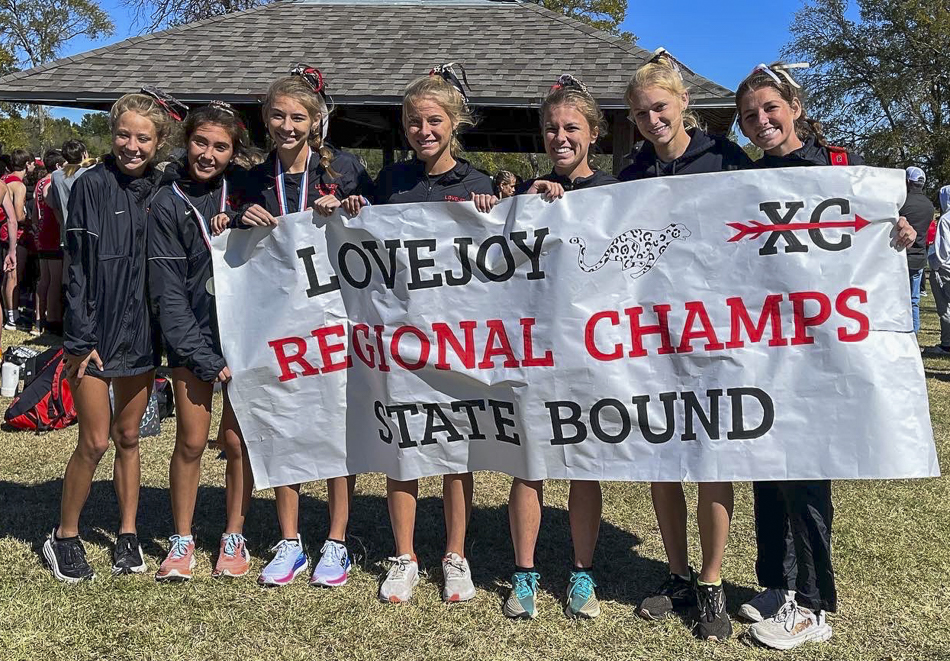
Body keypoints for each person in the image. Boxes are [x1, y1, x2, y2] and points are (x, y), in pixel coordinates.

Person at [735, 62, 916, 650]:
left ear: (794, 107)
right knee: (766, 470)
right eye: (748, 116)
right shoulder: (742, 181)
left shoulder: (835, 168)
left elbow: (911, 201)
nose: (761, 122)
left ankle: (814, 604)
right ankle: (776, 585)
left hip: (821, 354)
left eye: (769, 109)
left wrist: (911, 225)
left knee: (806, 477)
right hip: (762, 349)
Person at [342, 63, 494, 604]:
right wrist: (353, 212)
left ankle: (456, 557)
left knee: (457, 451)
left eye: (434, 121)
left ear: (456, 122)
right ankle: (403, 557)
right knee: (401, 447)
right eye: (413, 123)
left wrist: (492, 214)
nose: (424, 131)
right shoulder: (389, 183)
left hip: (456, 341)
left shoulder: (479, 185)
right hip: (398, 342)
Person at [619, 49, 751, 642]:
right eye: (642, 113)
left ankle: (712, 582)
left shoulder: (725, 159)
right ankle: (676, 575)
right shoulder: (629, 173)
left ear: (684, 104)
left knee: (710, 458)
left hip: (714, 332)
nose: (653, 119)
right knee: (662, 458)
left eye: (660, 107)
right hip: (650, 339)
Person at [228, 65, 374, 588]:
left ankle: (336, 541)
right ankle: (289, 540)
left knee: (337, 430)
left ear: (316, 121)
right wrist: (240, 217)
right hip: (280, 324)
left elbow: (377, 233)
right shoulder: (250, 176)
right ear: (266, 119)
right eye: (278, 116)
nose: (288, 126)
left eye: (298, 117)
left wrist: (353, 205)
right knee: (284, 422)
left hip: (336, 319)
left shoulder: (346, 168)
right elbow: (234, 238)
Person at [41, 89, 183, 583]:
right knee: (95, 440)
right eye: (123, 134)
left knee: (129, 437)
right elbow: (77, 268)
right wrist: (80, 338)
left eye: (143, 138)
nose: (131, 145)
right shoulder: (89, 185)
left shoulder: (164, 188)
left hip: (141, 334)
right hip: (94, 335)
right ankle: (65, 536)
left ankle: (127, 534)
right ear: (111, 133)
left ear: (159, 141)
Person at [497, 74, 616, 621]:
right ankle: (524, 574)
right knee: (529, 462)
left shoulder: (620, 193)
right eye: (551, 128)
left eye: (572, 127)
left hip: (593, 351)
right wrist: (496, 208)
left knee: (583, 462)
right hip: (534, 348)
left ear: (594, 133)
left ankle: (582, 573)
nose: (560, 137)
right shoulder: (526, 197)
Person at [148, 102, 255, 581]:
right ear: (185, 142)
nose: (208, 154)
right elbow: (167, 294)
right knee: (190, 441)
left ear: (234, 152)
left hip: (245, 337)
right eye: (200, 143)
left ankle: (234, 533)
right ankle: (183, 538)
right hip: (193, 341)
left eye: (220, 146)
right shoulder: (167, 201)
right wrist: (200, 356)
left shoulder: (247, 193)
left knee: (236, 441)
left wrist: (248, 220)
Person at [34, 149, 67, 336]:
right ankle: (53, 319)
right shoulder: (53, 181)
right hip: (53, 231)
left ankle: (39, 319)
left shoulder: (39, 182)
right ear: (57, 166)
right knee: (55, 280)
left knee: (44, 278)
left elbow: (34, 213)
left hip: (41, 232)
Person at [2, 148, 35, 330]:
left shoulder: (3, 180)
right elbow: (17, 215)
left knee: (6, 277)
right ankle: (13, 318)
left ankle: (9, 313)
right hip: (15, 235)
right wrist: (31, 219)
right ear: (27, 164)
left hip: (4, 233)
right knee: (13, 277)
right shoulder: (18, 185)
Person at [900, 167, 935, 334]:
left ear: (907, 181)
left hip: (901, 256)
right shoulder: (929, 205)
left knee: (899, 297)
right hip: (920, 255)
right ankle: (914, 330)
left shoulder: (902, 202)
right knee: (915, 298)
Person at [927, 187, 950, 353]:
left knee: (946, 308)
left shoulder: (945, 219)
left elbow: (943, 251)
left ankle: (947, 343)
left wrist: (934, 265)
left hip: (945, 269)